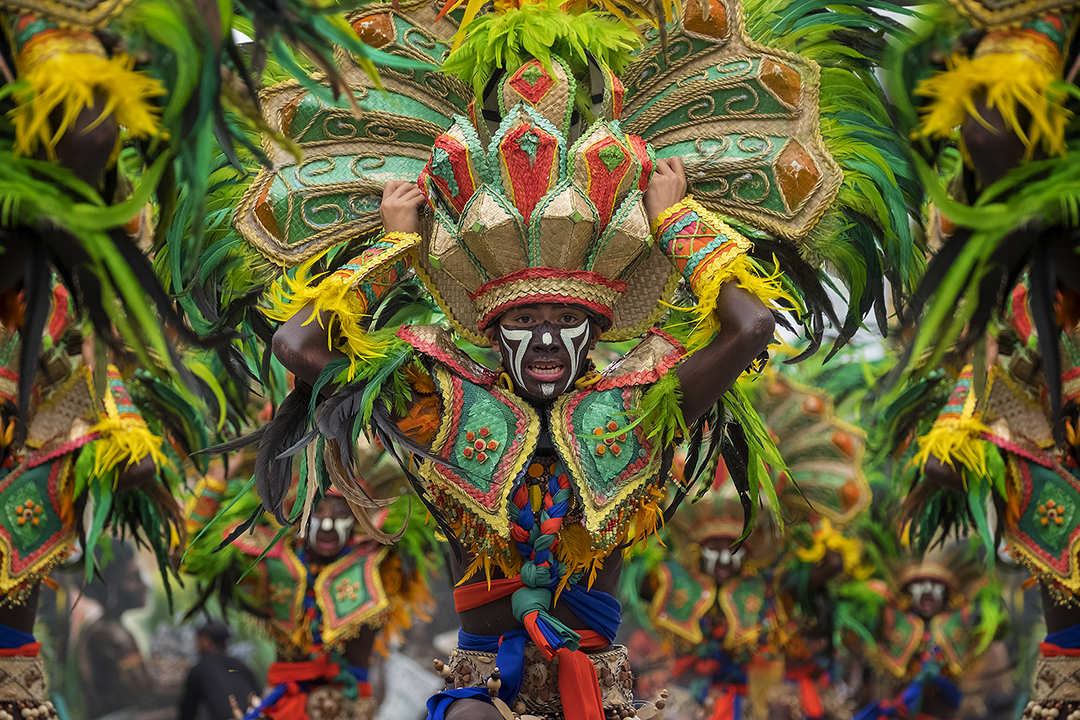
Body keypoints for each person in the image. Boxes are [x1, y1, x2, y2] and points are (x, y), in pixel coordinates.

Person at [184, 457, 434, 720]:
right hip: (283, 706)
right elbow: (192, 556)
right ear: (301, 514)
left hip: (349, 709)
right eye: (318, 510)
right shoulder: (273, 560)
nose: (327, 523)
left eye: (340, 512)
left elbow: (432, 520)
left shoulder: (379, 561)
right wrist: (217, 479)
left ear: (358, 518)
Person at [178, 620, 261, 720]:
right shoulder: (242, 666)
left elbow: (188, 712)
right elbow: (259, 697)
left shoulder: (200, 668)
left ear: (205, 641)